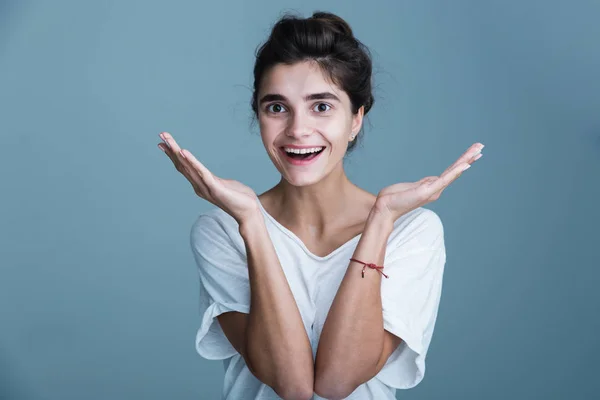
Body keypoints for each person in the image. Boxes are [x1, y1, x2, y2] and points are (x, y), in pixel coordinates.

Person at [158, 11, 483, 400]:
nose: (297, 129)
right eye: (276, 107)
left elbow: (336, 381)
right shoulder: (223, 229)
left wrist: (381, 220)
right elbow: (292, 383)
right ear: (258, 116)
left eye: (322, 107)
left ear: (356, 120)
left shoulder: (412, 230)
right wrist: (251, 222)